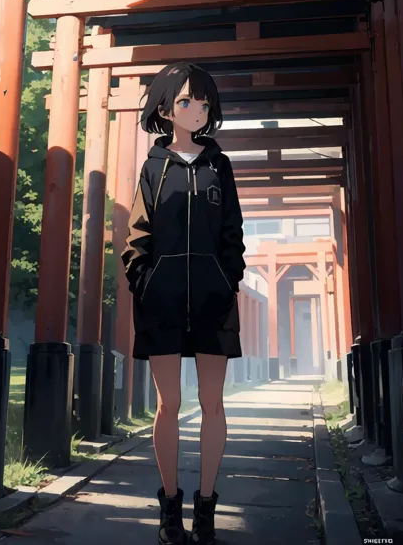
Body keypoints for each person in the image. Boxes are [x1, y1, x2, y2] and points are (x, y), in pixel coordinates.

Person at [121, 62, 246, 545]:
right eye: (187, 101)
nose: (197, 110)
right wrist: (145, 282)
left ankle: (207, 508)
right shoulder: (154, 167)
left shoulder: (220, 165)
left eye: (204, 103)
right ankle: (170, 507)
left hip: (214, 300)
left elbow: (233, 230)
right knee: (168, 404)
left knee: (212, 404)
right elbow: (138, 234)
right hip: (162, 300)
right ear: (167, 106)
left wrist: (226, 276)